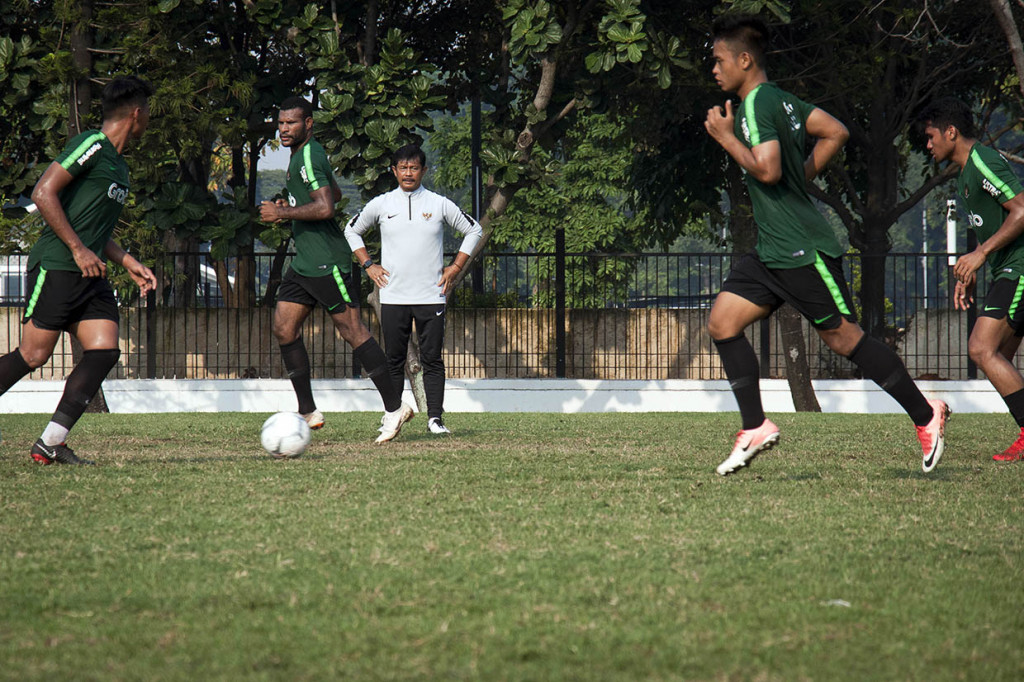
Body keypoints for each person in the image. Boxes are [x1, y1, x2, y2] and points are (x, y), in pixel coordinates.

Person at [703, 15, 949, 475]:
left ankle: (925, 414)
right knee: (722, 323)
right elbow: (835, 130)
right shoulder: (782, 100)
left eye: (718, 60)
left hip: (800, 248)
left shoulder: (755, 106)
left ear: (744, 59)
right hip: (772, 251)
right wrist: (801, 178)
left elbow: (768, 169)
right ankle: (754, 426)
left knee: (843, 338)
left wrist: (726, 138)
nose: (713, 70)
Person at [0, 76, 158, 465]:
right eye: (148, 113)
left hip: (91, 273)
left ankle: (51, 442)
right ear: (136, 113)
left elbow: (94, 228)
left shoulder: (119, 166)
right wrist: (75, 248)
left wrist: (128, 261)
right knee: (33, 355)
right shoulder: (93, 145)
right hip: (58, 266)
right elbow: (43, 193)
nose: (149, 121)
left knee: (103, 350)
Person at [259, 96, 413, 444]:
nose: (284, 129)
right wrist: (295, 205)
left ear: (308, 124)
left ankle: (395, 407)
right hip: (305, 263)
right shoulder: (302, 157)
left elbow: (327, 207)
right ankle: (307, 410)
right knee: (284, 327)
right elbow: (336, 193)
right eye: (281, 123)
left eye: (292, 123)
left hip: (329, 262)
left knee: (352, 330)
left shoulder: (309, 155)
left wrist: (282, 214)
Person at [344, 144, 482, 435]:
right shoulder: (381, 204)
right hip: (393, 295)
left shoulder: (439, 203)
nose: (408, 173)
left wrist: (455, 267)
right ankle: (392, 416)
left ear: (424, 170)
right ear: (394, 171)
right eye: (403, 168)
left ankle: (435, 419)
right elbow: (351, 229)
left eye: (414, 167)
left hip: (431, 294)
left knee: (432, 358)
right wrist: (368, 264)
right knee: (393, 359)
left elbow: (474, 230)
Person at [920, 97, 1024, 462]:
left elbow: (1022, 209)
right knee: (1000, 358)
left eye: (931, 136)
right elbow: (993, 225)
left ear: (952, 132)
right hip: (1006, 267)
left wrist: (980, 254)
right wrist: (975, 266)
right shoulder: (965, 173)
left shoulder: (983, 161)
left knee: (982, 348)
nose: (928, 144)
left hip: (1020, 266)